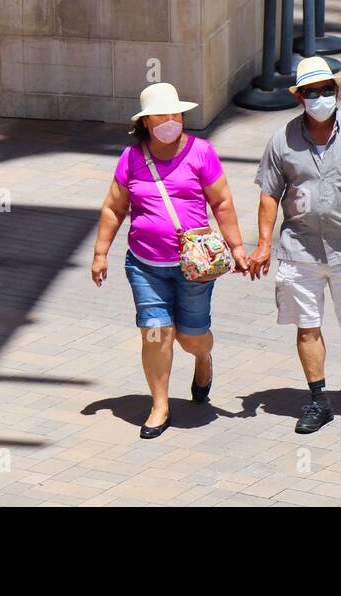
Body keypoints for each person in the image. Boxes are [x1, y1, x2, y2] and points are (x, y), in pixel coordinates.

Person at [91, 83, 251, 439]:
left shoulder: (201, 152)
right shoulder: (132, 158)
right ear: (146, 122)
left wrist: (237, 247)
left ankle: (203, 358)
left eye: (175, 114)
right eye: (162, 115)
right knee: (155, 334)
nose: (170, 120)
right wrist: (101, 253)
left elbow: (221, 202)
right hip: (145, 265)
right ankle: (160, 405)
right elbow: (114, 208)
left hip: (195, 267)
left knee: (191, 337)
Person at [250, 57, 341, 434]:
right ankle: (319, 400)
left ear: (337, 91)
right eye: (311, 92)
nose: (319, 98)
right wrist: (264, 244)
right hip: (299, 249)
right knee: (307, 325)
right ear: (299, 97)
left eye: (326, 90)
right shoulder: (281, 140)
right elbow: (269, 194)